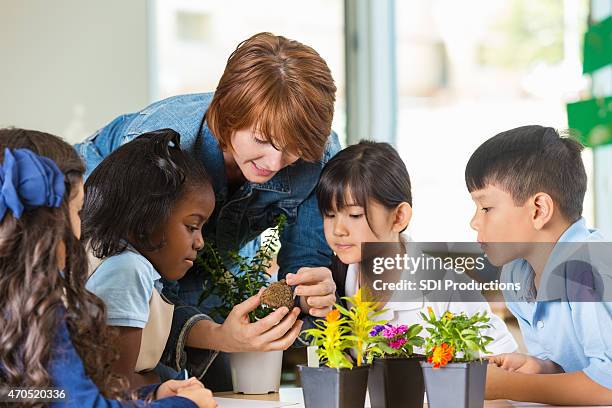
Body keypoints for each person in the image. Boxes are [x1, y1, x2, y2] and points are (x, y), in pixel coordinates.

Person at [75, 32, 340, 388]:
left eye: (292, 149)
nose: (276, 162)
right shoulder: (163, 151)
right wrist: (217, 337)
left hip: (197, 261)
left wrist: (312, 292)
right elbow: (146, 300)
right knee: (137, 376)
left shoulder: (316, 154)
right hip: (111, 245)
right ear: (228, 116)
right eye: (262, 140)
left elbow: (302, 271)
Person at [0, 128, 216, 408]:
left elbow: (48, 397)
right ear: (48, 227)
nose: (81, 228)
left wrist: (148, 397)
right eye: (78, 212)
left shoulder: (17, 307)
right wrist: (186, 405)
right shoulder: (39, 311)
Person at [83, 129, 301, 386]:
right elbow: (114, 384)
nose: (200, 242)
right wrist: (161, 383)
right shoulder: (128, 270)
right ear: (147, 218)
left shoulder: (133, 269)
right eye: (191, 227)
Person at [316, 140, 518, 354]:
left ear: (399, 217)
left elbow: (506, 363)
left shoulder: (445, 286)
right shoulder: (333, 282)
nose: (338, 229)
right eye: (329, 215)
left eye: (355, 215)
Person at [465, 125, 612, 405]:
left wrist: (511, 386)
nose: (474, 222)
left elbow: (608, 386)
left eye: (485, 208)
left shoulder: (587, 270)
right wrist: (541, 368)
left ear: (539, 210)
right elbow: (575, 365)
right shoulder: (518, 274)